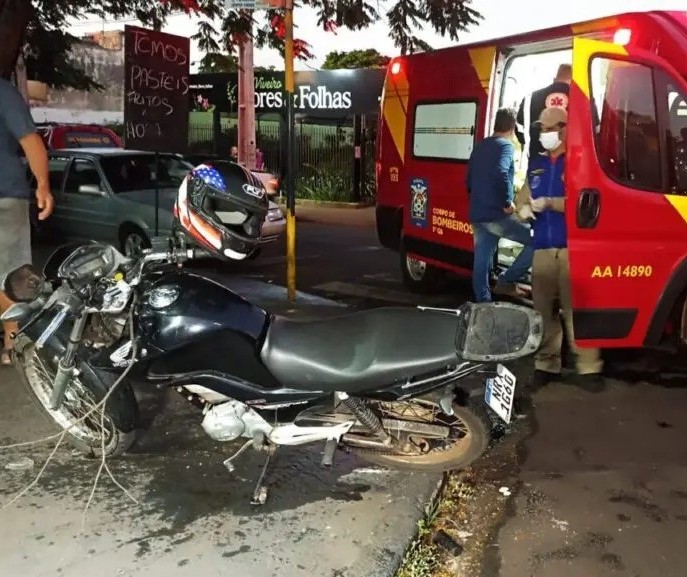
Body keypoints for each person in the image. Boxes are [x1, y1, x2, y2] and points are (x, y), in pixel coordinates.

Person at [515, 106, 604, 392]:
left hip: (571, 249)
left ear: (564, 129)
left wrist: (552, 203)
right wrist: (523, 209)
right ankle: (546, 364)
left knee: (577, 309)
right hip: (541, 247)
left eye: (548, 129)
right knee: (543, 311)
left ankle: (588, 368)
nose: (543, 134)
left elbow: (586, 204)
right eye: (541, 129)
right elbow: (521, 198)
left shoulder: (578, 162)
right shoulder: (537, 164)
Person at [0, 77, 53, 366]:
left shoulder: (3, 92)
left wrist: (43, 184)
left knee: (8, 274)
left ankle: (14, 343)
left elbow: (30, 140)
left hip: (4, 197)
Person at [467, 107, 534, 302]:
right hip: (497, 215)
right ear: (512, 128)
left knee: (481, 260)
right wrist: (507, 202)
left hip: (478, 213)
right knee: (537, 239)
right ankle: (507, 280)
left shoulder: (480, 146)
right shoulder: (505, 146)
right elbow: (501, 172)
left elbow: (469, 180)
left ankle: (483, 302)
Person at [516, 64, 571, 159]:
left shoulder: (530, 99)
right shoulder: (584, 101)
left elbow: (520, 131)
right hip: (573, 164)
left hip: (536, 164)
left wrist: (536, 144)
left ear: (554, 79)